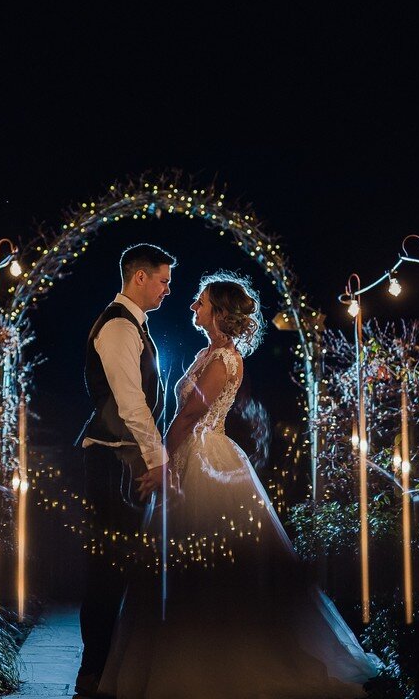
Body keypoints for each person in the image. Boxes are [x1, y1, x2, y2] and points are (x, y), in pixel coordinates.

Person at [98, 271, 381, 699]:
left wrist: (164, 463)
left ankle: (217, 665)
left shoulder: (224, 359)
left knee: (207, 564)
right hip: (194, 454)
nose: (193, 305)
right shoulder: (209, 352)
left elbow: (190, 418)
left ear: (219, 311)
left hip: (207, 461)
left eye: (201, 301)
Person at [75, 243, 176, 699]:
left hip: (120, 457)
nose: (167, 289)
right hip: (114, 460)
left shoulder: (133, 325)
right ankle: (93, 672)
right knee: (107, 567)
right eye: (163, 280)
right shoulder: (118, 327)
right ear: (139, 278)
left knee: (117, 566)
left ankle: (105, 668)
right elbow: (131, 403)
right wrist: (159, 461)